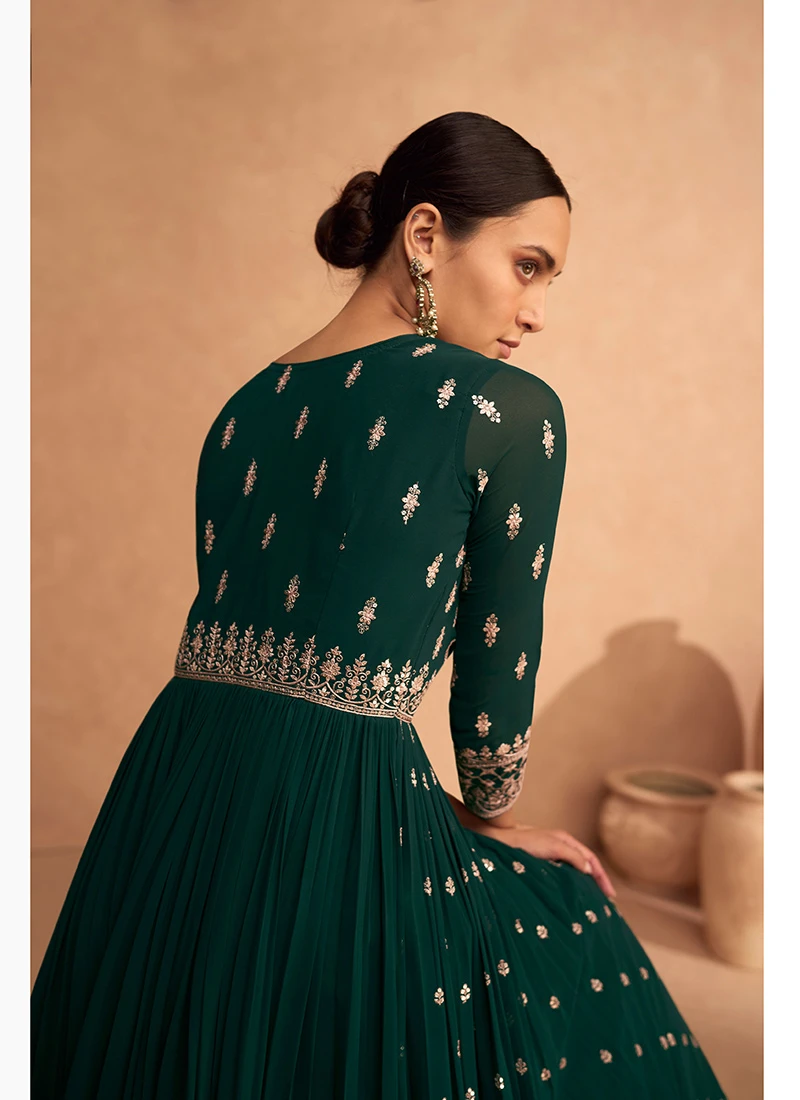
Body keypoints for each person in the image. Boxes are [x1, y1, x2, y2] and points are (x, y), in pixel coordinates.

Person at [31, 111, 727, 1098]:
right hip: (331, 800)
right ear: (426, 235)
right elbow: (493, 681)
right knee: (566, 925)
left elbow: (258, 627)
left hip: (173, 793)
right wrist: (489, 816)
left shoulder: (246, 405)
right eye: (528, 266)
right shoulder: (504, 408)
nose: (536, 313)